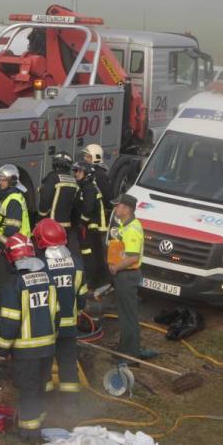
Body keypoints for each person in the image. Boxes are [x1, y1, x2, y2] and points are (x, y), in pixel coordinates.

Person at [0, 234, 58, 442]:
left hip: (26, 350)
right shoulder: (48, 278)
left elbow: (10, 323)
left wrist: (1, 350)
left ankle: (29, 433)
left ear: (12, 257)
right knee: (39, 386)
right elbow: (56, 313)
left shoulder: (14, 285)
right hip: (48, 346)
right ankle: (38, 424)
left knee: (28, 389)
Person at [32, 218, 86, 395]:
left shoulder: (40, 267)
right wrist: (78, 312)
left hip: (46, 327)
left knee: (44, 363)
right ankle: (70, 404)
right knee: (68, 362)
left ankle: (45, 398)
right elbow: (82, 294)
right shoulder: (76, 265)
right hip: (69, 326)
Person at [108, 194, 156, 361]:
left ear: (126, 209)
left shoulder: (132, 229)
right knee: (125, 314)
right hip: (124, 276)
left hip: (127, 276)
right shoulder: (125, 226)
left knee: (128, 316)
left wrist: (115, 268)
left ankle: (129, 355)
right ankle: (125, 349)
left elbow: (132, 257)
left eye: (117, 206)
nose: (115, 209)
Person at [37, 152, 80, 257]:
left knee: (48, 254)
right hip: (66, 225)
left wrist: (41, 216)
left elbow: (45, 199)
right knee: (64, 253)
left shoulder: (52, 178)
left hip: (51, 225)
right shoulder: (74, 181)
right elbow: (76, 203)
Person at [73, 161, 107, 287]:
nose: (76, 174)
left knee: (88, 252)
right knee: (95, 252)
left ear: (86, 174)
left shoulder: (88, 188)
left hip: (92, 226)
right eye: (76, 171)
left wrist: (82, 222)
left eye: (79, 171)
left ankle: (91, 280)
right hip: (92, 226)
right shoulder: (86, 186)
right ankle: (97, 278)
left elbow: (88, 208)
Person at [0, 164, 31, 252]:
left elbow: (13, 228)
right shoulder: (9, 196)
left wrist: (0, 244)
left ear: (12, 181)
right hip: (14, 244)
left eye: (3, 180)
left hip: (16, 246)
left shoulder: (13, 200)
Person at [82, 143, 113, 210]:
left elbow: (107, 196)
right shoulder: (87, 170)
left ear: (96, 158)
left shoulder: (100, 175)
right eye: (84, 156)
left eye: (88, 157)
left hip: (95, 211)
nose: (85, 158)